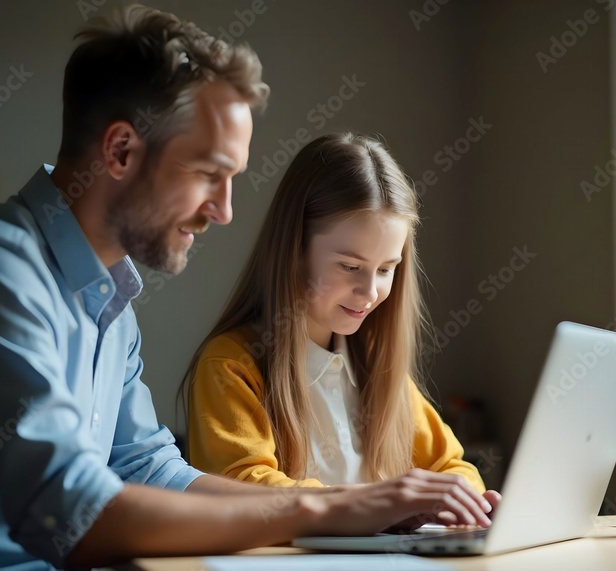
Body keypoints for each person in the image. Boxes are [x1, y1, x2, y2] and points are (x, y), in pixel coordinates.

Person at [0, 6, 494, 570]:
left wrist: (361, 509)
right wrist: (331, 510)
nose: (224, 210)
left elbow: (149, 469)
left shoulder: (112, 305)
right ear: (120, 151)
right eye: (208, 174)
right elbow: (72, 516)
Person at [182, 133, 500, 505]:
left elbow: (454, 468)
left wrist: (465, 501)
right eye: (350, 266)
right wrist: (378, 504)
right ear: (295, 251)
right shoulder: (231, 366)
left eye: (385, 269)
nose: (369, 292)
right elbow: (242, 490)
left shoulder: (377, 368)